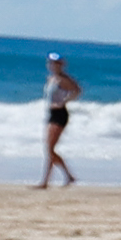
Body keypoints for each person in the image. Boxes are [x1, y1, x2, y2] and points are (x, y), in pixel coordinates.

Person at [38, 53, 81, 188]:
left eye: (56, 63)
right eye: (51, 63)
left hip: (60, 114)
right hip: (51, 113)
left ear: (61, 65)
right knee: (49, 148)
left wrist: (64, 101)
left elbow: (77, 90)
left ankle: (68, 176)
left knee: (50, 149)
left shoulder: (63, 79)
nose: (52, 65)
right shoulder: (51, 78)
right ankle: (46, 181)